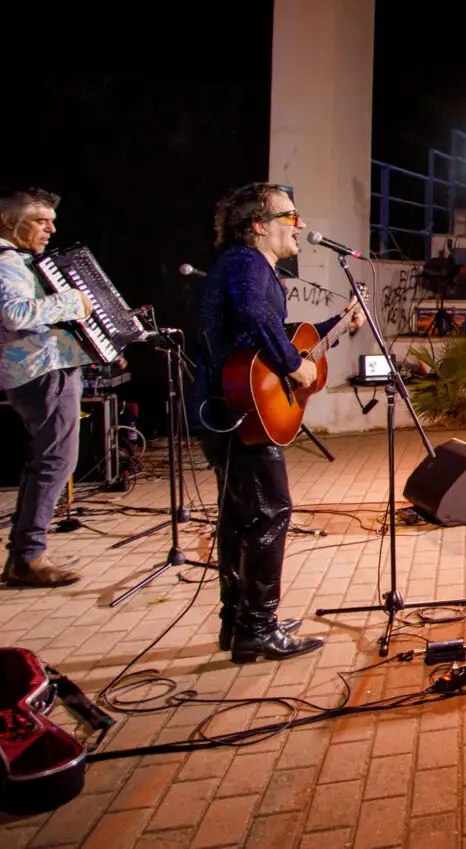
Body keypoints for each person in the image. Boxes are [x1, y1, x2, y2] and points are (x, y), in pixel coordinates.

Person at [193, 183, 362, 660]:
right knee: (271, 512)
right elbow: (254, 320)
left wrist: (335, 326)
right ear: (258, 226)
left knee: (238, 517)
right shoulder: (248, 265)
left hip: (227, 409)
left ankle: (239, 621)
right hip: (240, 411)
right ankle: (258, 630)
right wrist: (293, 366)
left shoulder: (244, 267)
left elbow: (271, 334)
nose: (301, 226)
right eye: (291, 217)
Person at [0, 189, 96, 589]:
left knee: (46, 461)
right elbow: (18, 314)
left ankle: (24, 554)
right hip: (40, 368)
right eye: (41, 220)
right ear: (8, 221)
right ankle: (28, 557)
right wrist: (72, 302)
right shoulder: (4, 261)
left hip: (36, 366)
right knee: (56, 462)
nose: (51, 229)